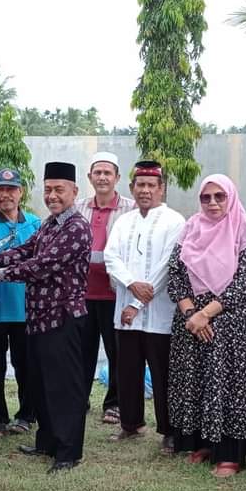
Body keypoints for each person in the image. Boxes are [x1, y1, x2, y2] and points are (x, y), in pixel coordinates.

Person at [0, 162, 93, 473]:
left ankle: (68, 452)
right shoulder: (49, 224)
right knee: (41, 384)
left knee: (64, 387)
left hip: (63, 318)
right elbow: (25, 250)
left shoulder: (77, 227)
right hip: (39, 318)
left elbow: (41, 265)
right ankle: (47, 442)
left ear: (74, 192)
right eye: (49, 189)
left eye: (60, 190)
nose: (53, 196)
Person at [167, 175, 246, 477]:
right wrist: (190, 314)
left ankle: (230, 454)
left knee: (228, 386)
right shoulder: (191, 228)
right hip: (192, 321)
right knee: (195, 382)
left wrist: (205, 314)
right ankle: (202, 443)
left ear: (231, 197)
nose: (212, 203)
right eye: (206, 197)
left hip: (229, 322)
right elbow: (174, 275)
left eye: (219, 196)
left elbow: (244, 283)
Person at [103, 161, 185, 452]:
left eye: (152, 185)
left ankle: (168, 431)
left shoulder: (175, 221)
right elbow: (111, 257)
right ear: (131, 188)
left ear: (161, 188)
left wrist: (137, 302)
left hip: (158, 315)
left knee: (163, 374)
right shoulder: (123, 221)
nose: (146, 190)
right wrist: (130, 283)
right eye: (140, 185)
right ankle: (131, 424)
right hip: (125, 312)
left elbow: (166, 267)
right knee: (127, 371)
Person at [0, 168, 42, 436]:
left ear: (21, 192)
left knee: (26, 365)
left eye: (11, 189)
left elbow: (39, 261)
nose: (6, 194)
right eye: (0, 189)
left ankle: (26, 415)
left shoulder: (35, 223)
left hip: (26, 309)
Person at [79, 152, 136, 425]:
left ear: (117, 178)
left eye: (107, 173)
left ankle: (114, 403)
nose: (102, 177)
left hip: (116, 293)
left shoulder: (131, 209)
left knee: (117, 351)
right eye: (97, 173)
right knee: (81, 350)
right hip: (82, 294)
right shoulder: (78, 208)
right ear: (90, 177)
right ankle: (80, 398)